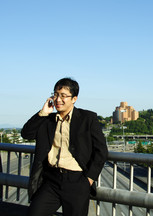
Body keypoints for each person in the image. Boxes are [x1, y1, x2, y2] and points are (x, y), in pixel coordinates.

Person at [21, 77, 108, 216]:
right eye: (55, 94)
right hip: (51, 180)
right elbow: (26, 133)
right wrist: (43, 113)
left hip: (77, 182)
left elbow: (101, 151)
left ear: (74, 99)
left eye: (63, 96)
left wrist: (89, 180)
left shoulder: (87, 119)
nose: (58, 99)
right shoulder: (47, 120)